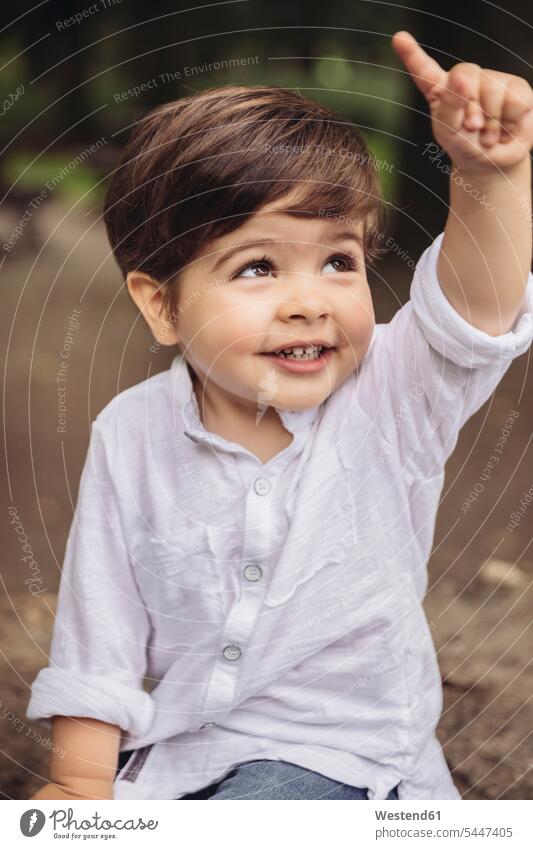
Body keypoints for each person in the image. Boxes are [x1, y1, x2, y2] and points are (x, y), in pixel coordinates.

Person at [27, 31, 533, 801]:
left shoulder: (391, 397)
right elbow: (100, 632)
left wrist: (488, 177)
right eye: (257, 268)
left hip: (340, 764)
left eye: (339, 260)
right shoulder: (130, 433)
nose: (309, 300)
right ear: (161, 304)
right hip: (173, 764)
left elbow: (474, 310)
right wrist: (76, 786)